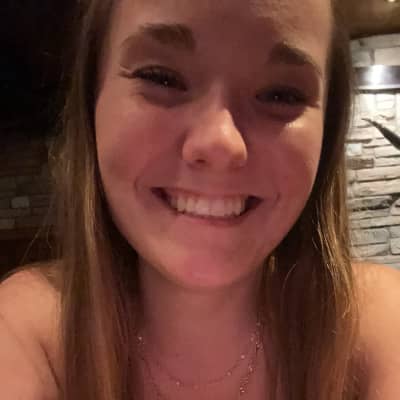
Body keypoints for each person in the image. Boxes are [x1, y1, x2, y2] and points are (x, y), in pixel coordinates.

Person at [0, 0, 400, 399]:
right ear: (92, 106)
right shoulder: (25, 333)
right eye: (162, 78)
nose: (221, 143)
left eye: (281, 94)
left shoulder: (380, 323)